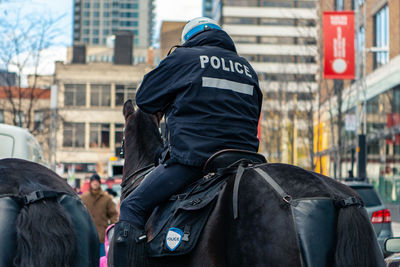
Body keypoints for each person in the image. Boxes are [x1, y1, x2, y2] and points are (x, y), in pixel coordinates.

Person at [114, 17, 262, 265]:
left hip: (194, 160)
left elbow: (145, 98)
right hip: (245, 161)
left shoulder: (184, 58)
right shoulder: (247, 68)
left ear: (188, 40)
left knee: (132, 207)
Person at [81, 173, 118, 257]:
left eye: (97, 181)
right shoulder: (83, 198)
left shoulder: (106, 198)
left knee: (102, 260)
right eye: (93, 181)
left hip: (102, 235)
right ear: (90, 183)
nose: (95, 183)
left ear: (99, 183)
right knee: (88, 259)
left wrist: (111, 229)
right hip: (87, 235)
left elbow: (113, 215)